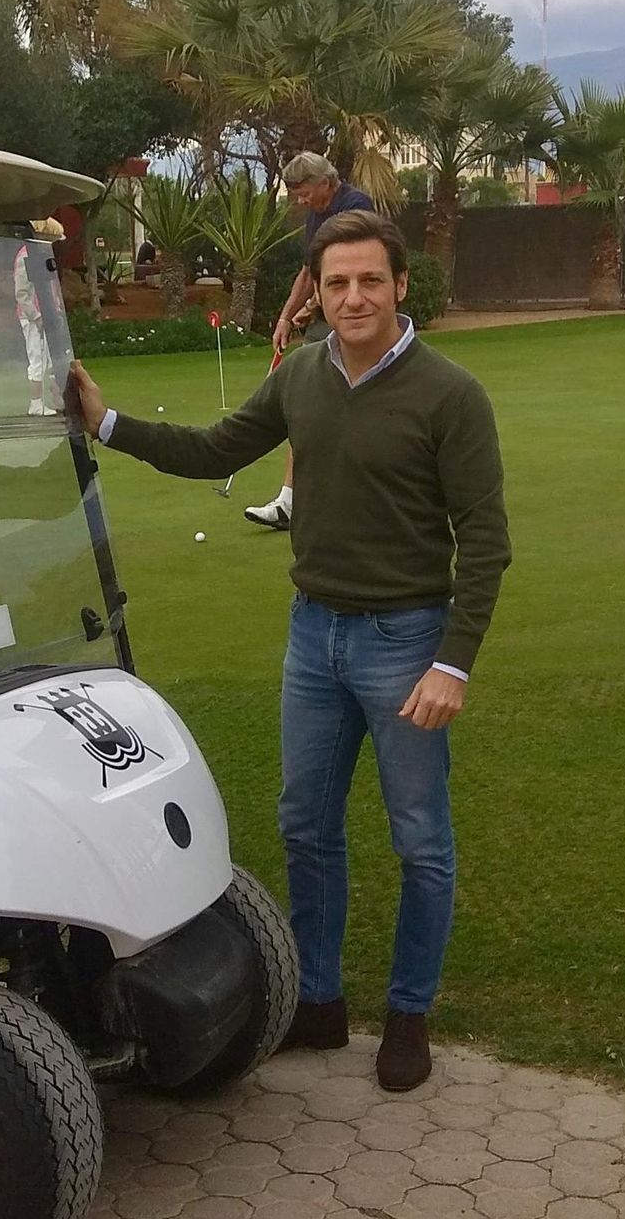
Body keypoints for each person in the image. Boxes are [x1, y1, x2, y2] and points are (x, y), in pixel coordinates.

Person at [70, 210, 510, 1092]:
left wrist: (452, 663)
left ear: (399, 287)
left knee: (420, 840)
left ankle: (409, 1012)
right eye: (336, 282)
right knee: (306, 827)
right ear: (317, 291)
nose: (354, 297)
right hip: (315, 636)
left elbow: (486, 542)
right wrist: (106, 421)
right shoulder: (302, 375)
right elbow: (214, 451)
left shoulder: (450, 394)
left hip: (406, 641)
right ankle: (316, 1001)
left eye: (370, 281)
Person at [245, 152, 373, 530]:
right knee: (312, 402)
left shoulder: (354, 206)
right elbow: (308, 271)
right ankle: (292, 500)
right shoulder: (318, 214)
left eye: (304, 193)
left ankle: (314, 498)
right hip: (326, 316)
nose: (301, 202)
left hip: (354, 315)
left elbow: (353, 268)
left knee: (341, 403)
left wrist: (315, 306)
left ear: (325, 182)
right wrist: (286, 316)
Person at [15, 218, 64, 414]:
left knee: (53, 360)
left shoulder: (42, 255)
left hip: (49, 314)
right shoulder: (25, 257)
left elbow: (52, 288)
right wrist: (36, 316)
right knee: (38, 359)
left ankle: (58, 399)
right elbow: (22, 293)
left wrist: (57, 310)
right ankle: (36, 403)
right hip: (33, 318)